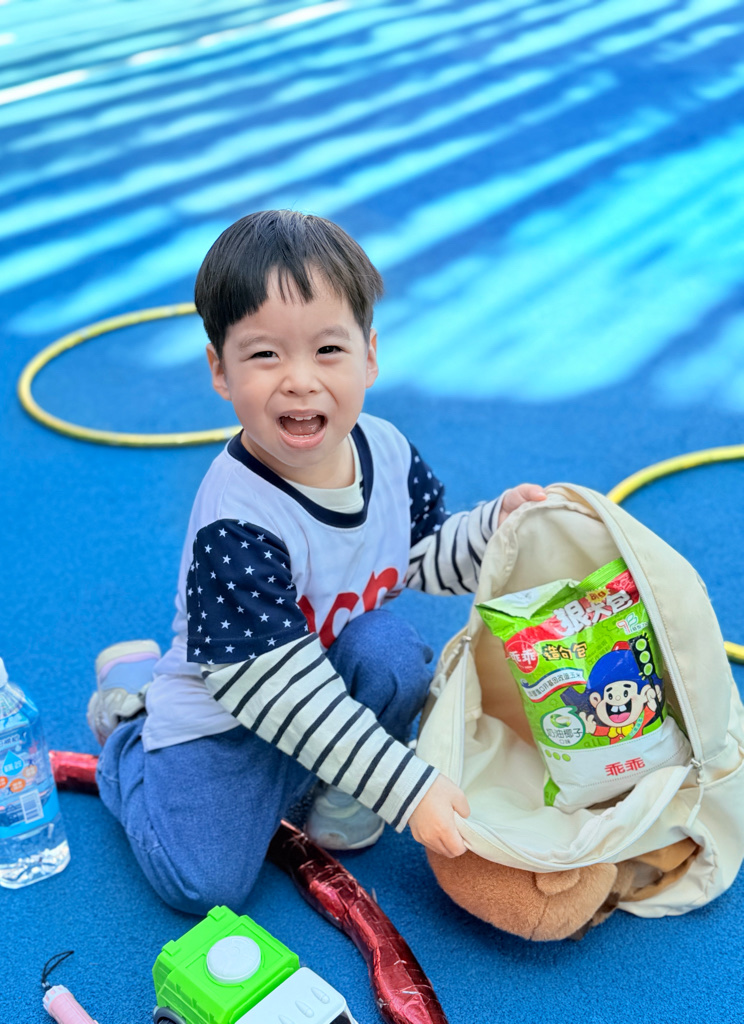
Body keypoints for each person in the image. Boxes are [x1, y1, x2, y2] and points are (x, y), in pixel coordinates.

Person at [89, 210, 546, 915]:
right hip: (232, 710)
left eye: (328, 349)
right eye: (265, 355)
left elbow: (423, 551)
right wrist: (406, 789)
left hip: (316, 679)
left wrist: (495, 529)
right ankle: (129, 726)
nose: (300, 381)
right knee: (202, 883)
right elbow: (278, 692)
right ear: (220, 370)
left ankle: (330, 784)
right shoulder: (236, 520)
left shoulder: (385, 449)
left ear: (370, 355)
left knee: (392, 650)